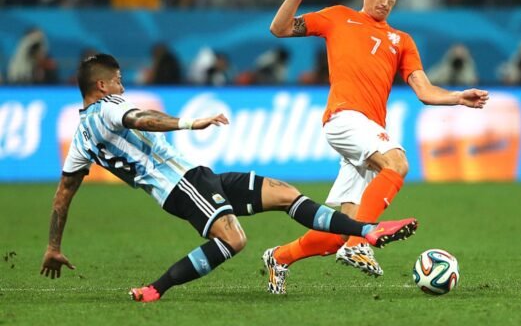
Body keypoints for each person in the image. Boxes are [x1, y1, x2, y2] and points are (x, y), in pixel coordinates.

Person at [39, 53, 419, 301]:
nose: (122, 87)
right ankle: (156, 289)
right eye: (119, 81)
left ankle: (364, 231)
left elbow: (63, 193)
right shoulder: (109, 107)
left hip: (197, 177)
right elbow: (141, 119)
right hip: (180, 185)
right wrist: (190, 122)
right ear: (102, 86)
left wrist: (53, 246)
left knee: (284, 193)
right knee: (234, 239)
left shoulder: (80, 139)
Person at [266, 0, 489, 294]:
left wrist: (457, 97)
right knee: (397, 162)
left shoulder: (401, 41)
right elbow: (280, 28)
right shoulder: (338, 17)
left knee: (340, 231)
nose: (385, 2)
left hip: (368, 128)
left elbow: (425, 91)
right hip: (344, 118)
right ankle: (360, 243)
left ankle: (279, 258)